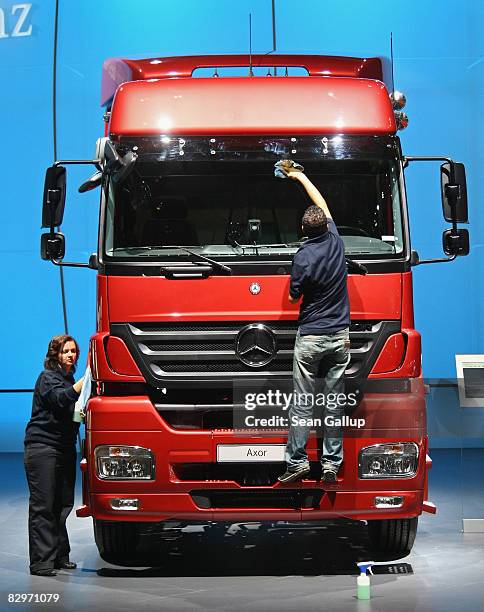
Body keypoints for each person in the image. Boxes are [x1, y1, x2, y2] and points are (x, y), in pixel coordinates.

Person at [276, 161, 350, 484]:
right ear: (327, 226)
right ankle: (331, 463)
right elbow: (321, 202)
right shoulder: (337, 241)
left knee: (304, 402)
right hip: (340, 338)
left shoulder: (302, 257)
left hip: (310, 338)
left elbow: (293, 299)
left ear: (304, 231)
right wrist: (300, 176)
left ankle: (297, 461)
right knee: (333, 402)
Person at [24, 335, 84, 576]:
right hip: (42, 448)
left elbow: (73, 415)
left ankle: (60, 556)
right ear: (56, 355)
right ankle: (41, 562)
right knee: (44, 506)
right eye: (66, 351)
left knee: (62, 505)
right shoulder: (47, 378)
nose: (71, 355)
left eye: (73, 351)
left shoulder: (68, 380)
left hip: (64, 448)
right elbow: (61, 398)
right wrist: (83, 383)